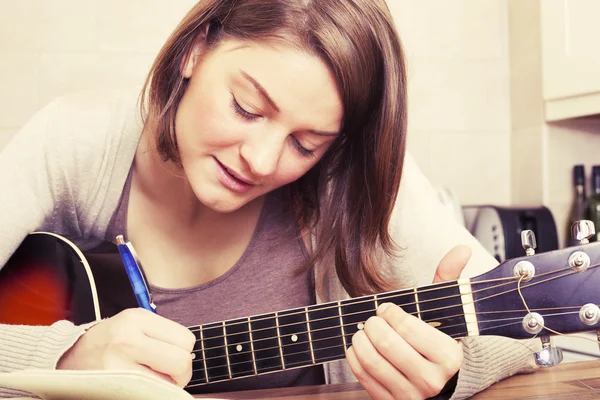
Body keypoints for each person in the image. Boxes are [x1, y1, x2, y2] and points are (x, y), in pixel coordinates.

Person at [0, 0, 541, 399]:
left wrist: (449, 374)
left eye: (305, 144)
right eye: (246, 108)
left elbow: (525, 321)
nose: (260, 161)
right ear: (194, 50)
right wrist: (67, 357)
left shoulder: (347, 175)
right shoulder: (77, 141)